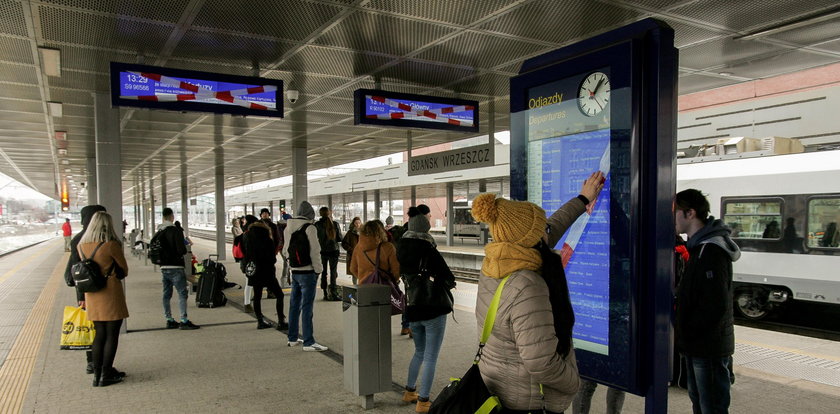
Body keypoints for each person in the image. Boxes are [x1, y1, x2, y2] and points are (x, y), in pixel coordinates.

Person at [472, 171, 605, 414]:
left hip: (499, 385)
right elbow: (541, 362)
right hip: (528, 399)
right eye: (542, 227)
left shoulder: (497, 262)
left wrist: (583, 199)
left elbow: (552, 228)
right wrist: (573, 382)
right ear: (531, 238)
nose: (548, 230)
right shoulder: (527, 285)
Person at [675, 189, 741, 414]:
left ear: (690, 213)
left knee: (711, 406)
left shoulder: (711, 251)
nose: (670, 218)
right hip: (696, 345)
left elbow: (715, 305)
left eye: (675, 212)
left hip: (708, 347)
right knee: (700, 402)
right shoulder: (698, 247)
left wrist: (688, 332)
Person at [396, 213, 455, 413]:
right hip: (433, 309)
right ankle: (423, 401)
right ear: (426, 228)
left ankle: (409, 391)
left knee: (419, 352)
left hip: (412, 309)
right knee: (430, 357)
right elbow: (447, 275)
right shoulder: (428, 248)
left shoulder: (401, 248)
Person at [78, 211, 129, 387]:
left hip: (92, 294)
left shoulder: (81, 245)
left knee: (99, 334)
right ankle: (106, 373)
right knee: (112, 334)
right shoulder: (111, 245)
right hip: (110, 292)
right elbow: (124, 270)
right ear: (108, 225)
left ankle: (97, 374)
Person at [63, 204, 106, 376]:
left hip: (87, 290)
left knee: (94, 327)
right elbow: (76, 269)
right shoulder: (83, 239)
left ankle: (96, 362)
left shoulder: (80, 238)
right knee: (94, 328)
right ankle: (93, 363)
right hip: (88, 291)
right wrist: (81, 296)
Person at [282, 201, 327, 351]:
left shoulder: (288, 227)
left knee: (294, 305)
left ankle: (292, 338)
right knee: (307, 307)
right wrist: (318, 270)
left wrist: (291, 265)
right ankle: (309, 341)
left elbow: (285, 251)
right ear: (310, 214)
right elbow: (315, 251)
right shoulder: (310, 228)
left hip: (294, 271)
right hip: (308, 272)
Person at [156, 207, 200, 330]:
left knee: (166, 294)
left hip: (163, 267)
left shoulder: (159, 230)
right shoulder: (175, 231)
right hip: (176, 266)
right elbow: (181, 250)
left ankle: (169, 319)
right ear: (171, 217)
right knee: (182, 293)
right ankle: (184, 320)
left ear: (163, 217)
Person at [242, 215, 288, 331]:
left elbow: (246, 255)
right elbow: (272, 258)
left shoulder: (248, 238)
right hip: (267, 272)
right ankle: (281, 321)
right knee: (279, 295)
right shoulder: (267, 240)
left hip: (255, 272)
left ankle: (260, 321)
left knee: (257, 296)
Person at [350, 220, 400, 286]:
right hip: (384, 288)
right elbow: (396, 271)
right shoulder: (388, 247)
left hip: (363, 287)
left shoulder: (358, 247)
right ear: (381, 232)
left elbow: (353, 269)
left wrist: (365, 279)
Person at [315, 207, 343, 301]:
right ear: (329, 213)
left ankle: (325, 293)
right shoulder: (335, 224)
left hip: (322, 252)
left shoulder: (317, 225)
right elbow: (339, 238)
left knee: (323, 273)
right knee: (333, 272)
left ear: (320, 214)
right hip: (334, 251)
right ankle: (333, 293)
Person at [341, 216, 362, 284]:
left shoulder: (364, 232)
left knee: (362, 271)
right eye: (356, 223)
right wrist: (351, 250)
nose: (358, 224)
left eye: (359, 223)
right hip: (353, 256)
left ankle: (361, 286)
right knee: (354, 272)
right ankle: (355, 285)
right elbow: (344, 243)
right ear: (353, 223)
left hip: (362, 256)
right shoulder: (350, 233)